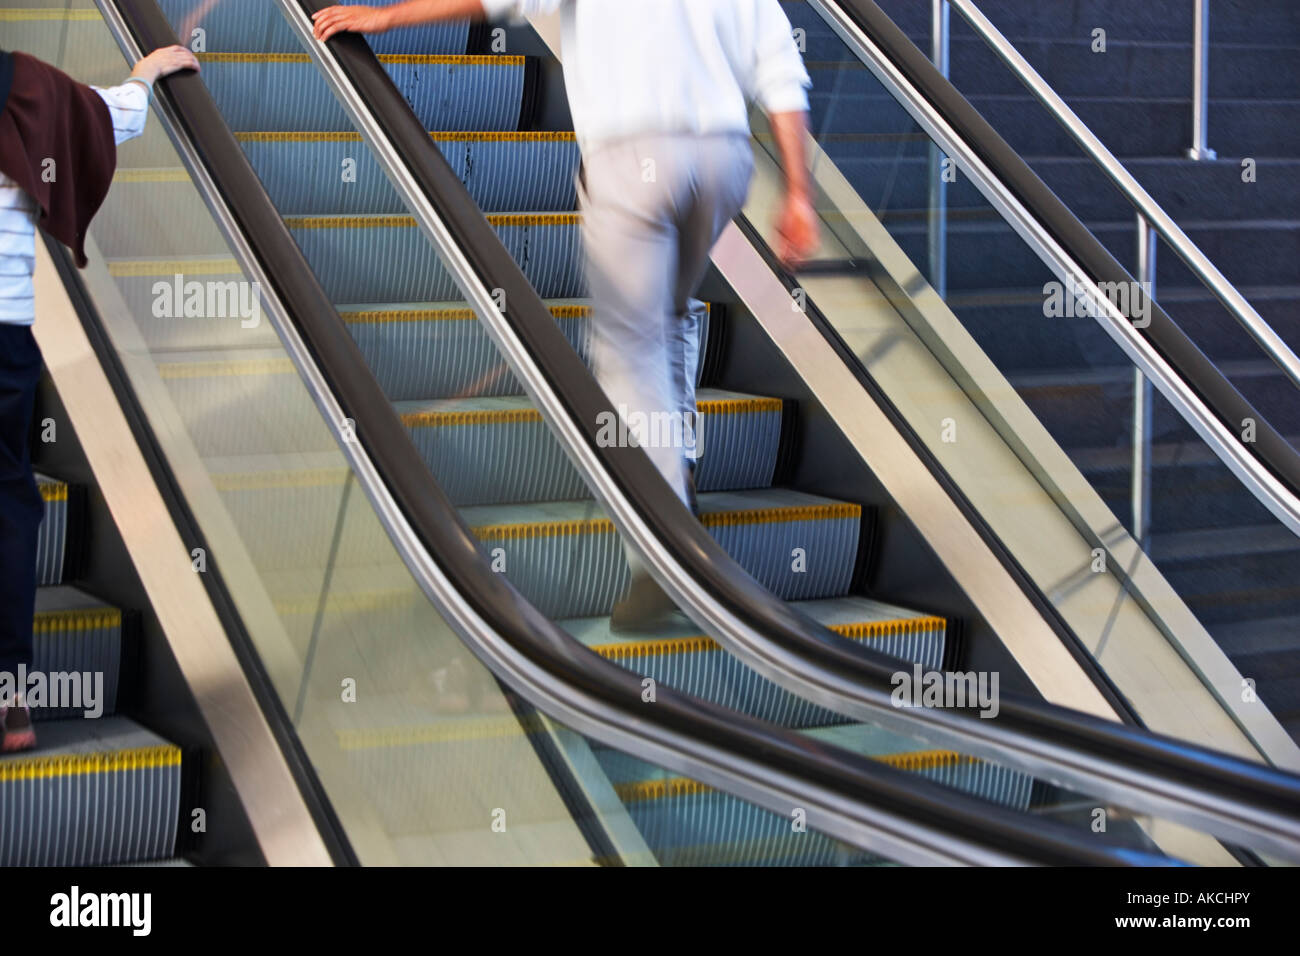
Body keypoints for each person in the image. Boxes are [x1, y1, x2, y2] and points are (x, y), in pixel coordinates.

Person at [313, 0, 819, 629]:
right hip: (722, 160)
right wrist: (799, 193)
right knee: (668, 315)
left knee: (627, 349)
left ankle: (666, 558)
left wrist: (387, 19)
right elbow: (780, 68)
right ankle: (678, 457)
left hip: (633, 159)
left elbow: (492, 1)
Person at [0, 45, 199, 752]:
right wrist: (145, 74)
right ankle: (9, 699)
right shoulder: (28, 84)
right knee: (8, 506)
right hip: (6, 337)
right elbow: (112, 119)